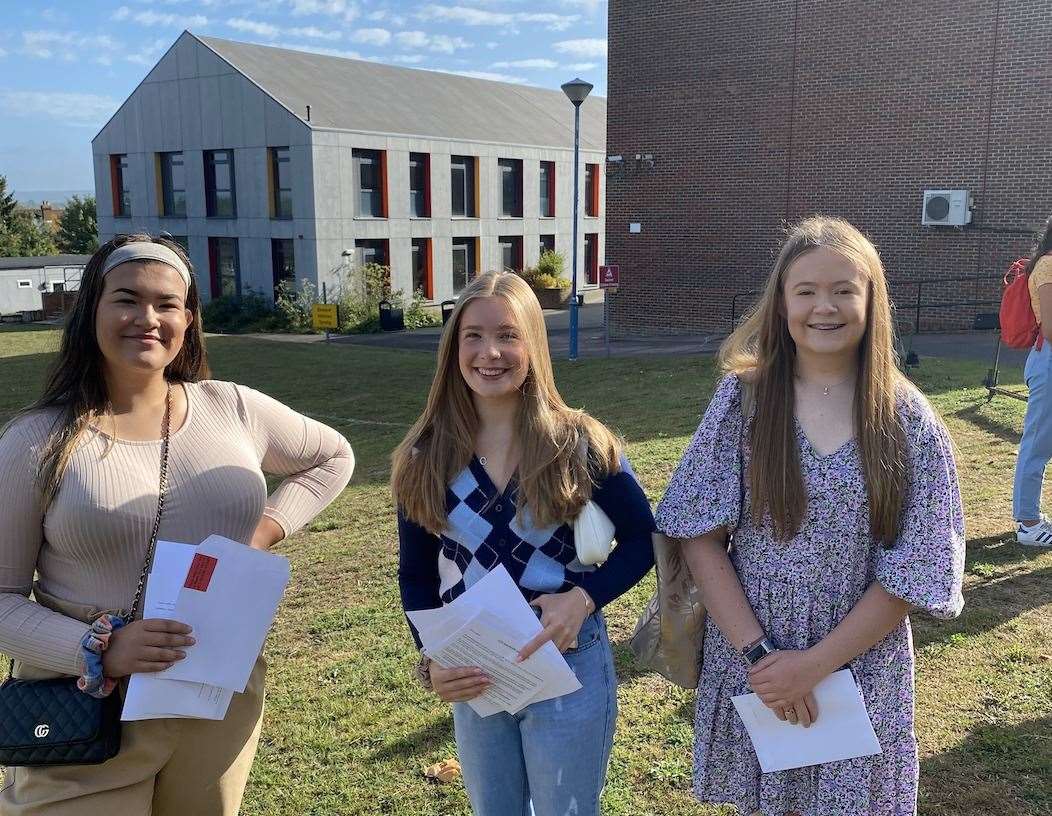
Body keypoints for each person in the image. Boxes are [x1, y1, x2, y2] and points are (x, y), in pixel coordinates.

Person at [0, 234, 354, 815]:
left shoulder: (232, 408)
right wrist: (99, 652)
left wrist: (260, 534)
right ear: (91, 309)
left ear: (188, 319)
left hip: (216, 695)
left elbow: (333, 457)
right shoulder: (36, 441)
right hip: (85, 710)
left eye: (167, 304)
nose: (147, 317)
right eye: (126, 299)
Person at [655, 217, 965, 816]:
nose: (825, 307)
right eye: (806, 291)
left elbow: (917, 568)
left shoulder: (908, 420)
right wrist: (761, 659)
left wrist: (816, 665)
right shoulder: (742, 400)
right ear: (781, 303)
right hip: (754, 658)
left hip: (860, 665)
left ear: (872, 300)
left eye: (844, 289)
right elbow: (698, 536)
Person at [392, 271, 654, 816]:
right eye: (473, 336)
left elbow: (643, 540)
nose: (490, 352)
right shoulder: (425, 456)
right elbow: (416, 577)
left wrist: (583, 599)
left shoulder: (578, 442)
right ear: (453, 347)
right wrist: (432, 657)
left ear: (533, 343)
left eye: (508, 335)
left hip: (569, 663)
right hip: (477, 670)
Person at [1012, 214, 1052, 546]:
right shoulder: (1048, 266)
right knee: (1037, 444)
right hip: (1049, 361)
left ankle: (1032, 516)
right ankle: (1028, 523)